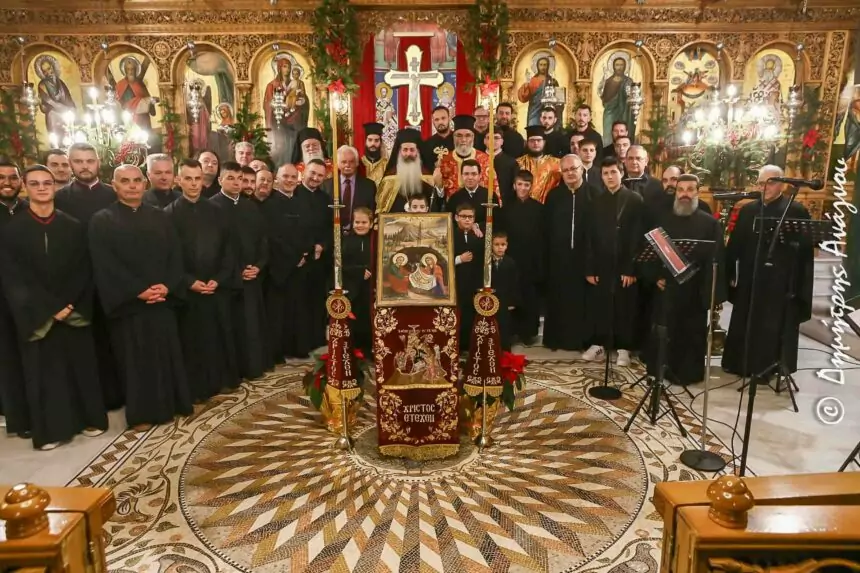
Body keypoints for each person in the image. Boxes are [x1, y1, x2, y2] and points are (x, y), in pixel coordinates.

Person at [0, 165, 108, 450]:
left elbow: (84, 269)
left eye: (46, 183)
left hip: (73, 310)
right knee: (45, 374)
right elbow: (15, 278)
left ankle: (89, 419)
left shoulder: (72, 225)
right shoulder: (11, 231)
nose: (42, 188)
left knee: (81, 368)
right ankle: (51, 431)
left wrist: (68, 304)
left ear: (54, 187)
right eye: (35, 184)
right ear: (25, 188)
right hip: (37, 315)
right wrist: (50, 308)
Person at [88, 165, 191, 430]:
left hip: (161, 301)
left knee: (165, 356)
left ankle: (172, 404)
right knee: (135, 363)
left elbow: (175, 255)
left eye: (136, 180)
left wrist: (167, 286)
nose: (132, 185)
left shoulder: (160, 217)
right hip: (129, 305)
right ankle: (142, 414)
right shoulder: (102, 220)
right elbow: (105, 264)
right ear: (114, 185)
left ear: (144, 184)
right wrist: (138, 290)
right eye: (125, 181)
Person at [722, 165, 813, 378]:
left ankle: (769, 367)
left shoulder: (795, 211)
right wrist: (730, 276)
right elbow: (734, 246)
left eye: (770, 183)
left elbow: (804, 254)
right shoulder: (748, 210)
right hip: (750, 279)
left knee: (772, 324)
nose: (764, 188)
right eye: (761, 183)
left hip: (779, 282)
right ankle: (740, 364)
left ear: (782, 184)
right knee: (746, 320)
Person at [54, 142, 122, 410]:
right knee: (86, 342)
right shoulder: (60, 199)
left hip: (114, 278)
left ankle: (119, 393)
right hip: (79, 279)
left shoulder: (113, 194)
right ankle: (92, 400)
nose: (84, 166)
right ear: (71, 164)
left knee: (115, 338)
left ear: (98, 163)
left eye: (89, 161)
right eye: (78, 161)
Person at [166, 159, 239, 402]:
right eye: (188, 178)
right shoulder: (168, 214)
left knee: (218, 336)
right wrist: (188, 282)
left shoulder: (217, 211)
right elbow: (168, 256)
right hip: (188, 290)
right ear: (179, 180)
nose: (194, 184)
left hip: (216, 286)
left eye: (197, 178)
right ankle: (197, 389)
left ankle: (221, 380)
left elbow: (228, 249)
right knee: (192, 341)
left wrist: (219, 279)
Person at [642, 174, 725, 385]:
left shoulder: (710, 224)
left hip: (695, 290)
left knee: (691, 333)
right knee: (663, 331)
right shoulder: (662, 219)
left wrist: (712, 294)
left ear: (697, 192)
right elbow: (650, 252)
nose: (684, 194)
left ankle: (687, 373)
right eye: (681, 190)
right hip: (667, 288)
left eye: (689, 189)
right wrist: (655, 277)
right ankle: (661, 370)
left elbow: (717, 260)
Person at [211, 162, 273, 379]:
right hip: (227, 280)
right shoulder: (212, 207)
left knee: (252, 325)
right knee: (232, 326)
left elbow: (263, 240)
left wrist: (258, 266)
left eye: (240, 179)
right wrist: (235, 270)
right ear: (220, 180)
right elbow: (215, 247)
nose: (237, 183)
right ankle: (234, 370)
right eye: (231, 178)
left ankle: (253, 366)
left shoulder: (250, 206)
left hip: (252, 275)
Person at [582, 156, 645, 367]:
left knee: (624, 305)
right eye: (605, 173)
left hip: (624, 264)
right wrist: (590, 268)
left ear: (621, 173)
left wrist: (631, 268)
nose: (610, 177)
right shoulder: (596, 202)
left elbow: (638, 237)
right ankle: (599, 344)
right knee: (600, 304)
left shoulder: (634, 200)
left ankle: (624, 347)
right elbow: (589, 237)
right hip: (601, 263)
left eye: (613, 172)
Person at [543, 155, 598, 351]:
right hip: (559, 258)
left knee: (583, 301)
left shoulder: (594, 194)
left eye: (573, 168)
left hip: (585, 259)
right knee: (559, 299)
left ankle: (582, 341)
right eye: (565, 170)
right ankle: (556, 340)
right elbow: (546, 230)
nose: (570, 173)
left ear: (582, 169)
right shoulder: (554, 196)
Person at [263, 163, 317, 360]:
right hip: (279, 267)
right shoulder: (269, 205)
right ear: (277, 178)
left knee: (298, 308)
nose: (289, 180)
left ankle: (298, 346)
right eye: (285, 176)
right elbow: (272, 237)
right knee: (279, 312)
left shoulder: (302, 203)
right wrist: (294, 258)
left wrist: (305, 254)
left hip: (301, 265)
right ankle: (278, 351)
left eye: (293, 177)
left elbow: (309, 231)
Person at [0, 160, 30, 439]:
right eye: (1, 178)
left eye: (12, 177)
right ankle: (18, 418)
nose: (7, 182)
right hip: (2, 300)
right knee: (7, 359)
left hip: (30, 296)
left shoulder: (28, 210)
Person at [498, 170, 543, 346]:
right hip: (511, 259)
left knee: (530, 296)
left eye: (526, 185)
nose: (523, 188)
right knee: (511, 295)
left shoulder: (539, 209)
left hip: (531, 260)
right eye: (520, 184)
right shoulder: (506, 209)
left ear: (531, 186)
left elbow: (543, 236)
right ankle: (511, 332)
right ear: (514, 185)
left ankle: (528, 333)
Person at [301, 159, 332, 348]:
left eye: (320, 175)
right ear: (305, 171)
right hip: (299, 259)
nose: (315, 178)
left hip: (319, 258)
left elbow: (330, 228)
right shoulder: (294, 194)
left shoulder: (325, 199)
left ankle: (317, 340)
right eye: (312, 173)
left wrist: (322, 245)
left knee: (317, 301)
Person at [377, 129, 441, 213]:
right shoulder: (389, 178)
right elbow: (382, 208)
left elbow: (435, 206)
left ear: (417, 151)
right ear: (399, 152)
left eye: (412, 150)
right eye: (405, 150)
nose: (408, 154)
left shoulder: (428, 176)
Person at [435, 115, 491, 199]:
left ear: (473, 137)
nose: (463, 140)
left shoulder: (485, 160)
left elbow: (493, 193)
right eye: (459, 135)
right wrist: (439, 186)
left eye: (468, 135)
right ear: (453, 137)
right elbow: (440, 198)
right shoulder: (445, 161)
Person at [342, 207, 373, 356]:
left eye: (364, 222)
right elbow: (341, 264)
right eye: (357, 222)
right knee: (353, 318)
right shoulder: (346, 241)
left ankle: (368, 349)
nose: (360, 225)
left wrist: (370, 269)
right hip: (352, 287)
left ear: (371, 224)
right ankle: (353, 350)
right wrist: (359, 272)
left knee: (367, 318)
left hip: (370, 287)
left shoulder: (374, 241)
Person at [323, 145, 377, 231]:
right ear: (337, 164)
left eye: (351, 162)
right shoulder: (325, 185)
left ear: (357, 163)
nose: (347, 165)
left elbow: (371, 212)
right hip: (332, 234)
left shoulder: (369, 186)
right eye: (343, 162)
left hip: (359, 234)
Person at [453, 203, 482, 347]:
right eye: (463, 216)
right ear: (456, 217)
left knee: (471, 315)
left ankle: (469, 346)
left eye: (470, 217)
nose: (467, 220)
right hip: (455, 283)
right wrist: (459, 259)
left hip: (473, 282)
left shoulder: (478, 236)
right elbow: (441, 260)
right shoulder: (450, 234)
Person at [490, 231, 519, 352]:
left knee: (504, 325)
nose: (500, 247)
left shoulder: (510, 262)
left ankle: (505, 351)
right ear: (491, 245)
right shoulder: (487, 262)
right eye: (496, 244)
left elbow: (514, 283)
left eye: (503, 244)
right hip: (490, 300)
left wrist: (512, 301)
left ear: (507, 245)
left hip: (505, 300)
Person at [516, 126, 561, 203]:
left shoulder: (556, 163)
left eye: (538, 140)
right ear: (527, 143)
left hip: (549, 206)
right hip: (523, 205)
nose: (535, 143)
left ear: (544, 142)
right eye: (532, 140)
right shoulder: (518, 163)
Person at [485, 130, 518, 206]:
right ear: (484, 141)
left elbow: (514, 186)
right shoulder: (478, 159)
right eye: (489, 138)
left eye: (496, 138)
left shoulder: (511, 162)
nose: (493, 141)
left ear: (502, 141)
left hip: (504, 204)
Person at [421, 105, 454, 172]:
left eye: (443, 118)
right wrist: (434, 167)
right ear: (433, 122)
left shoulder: (458, 140)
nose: (440, 122)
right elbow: (426, 169)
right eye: (436, 119)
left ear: (449, 118)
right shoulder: (427, 144)